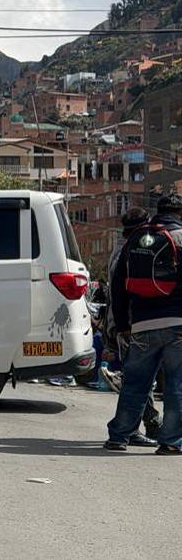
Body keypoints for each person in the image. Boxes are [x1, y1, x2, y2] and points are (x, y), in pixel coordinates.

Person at [106, 194, 182, 454]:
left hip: (141, 324)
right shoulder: (181, 237)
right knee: (176, 385)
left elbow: (118, 286)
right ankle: (171, 441)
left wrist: (123, 323)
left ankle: (119, 436)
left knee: (135, 384)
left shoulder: (135, 240)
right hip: (178, 325)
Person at [102, 207, 160, 446]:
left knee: (137, 377)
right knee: (138, 379)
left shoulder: (123, 248)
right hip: (127, 325)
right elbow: (119, 294)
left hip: (123, 324)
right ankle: (138, 427)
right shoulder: (128, 251)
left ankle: (146, 424)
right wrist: (123, 326)